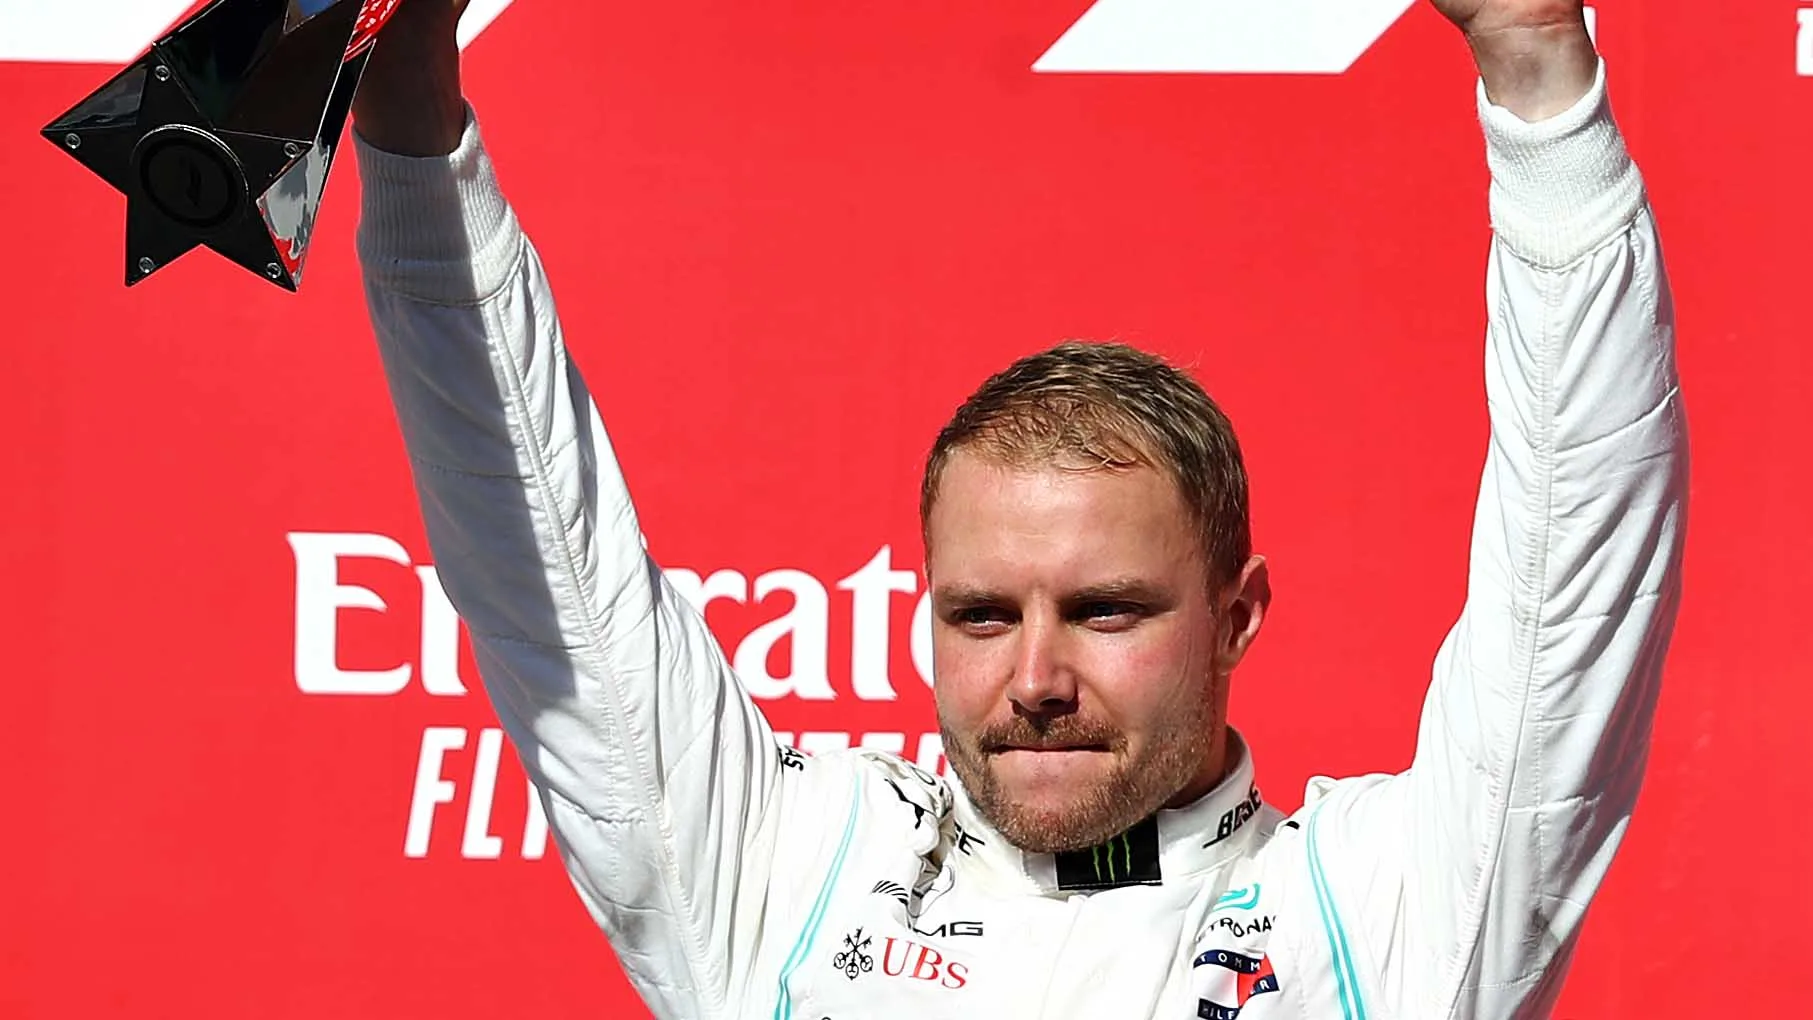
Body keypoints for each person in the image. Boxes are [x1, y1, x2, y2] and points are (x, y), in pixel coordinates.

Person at [348, 0, 1686, 1016]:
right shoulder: (786, 869)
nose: (1034, 677)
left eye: (1107, 611)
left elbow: (1574, 564)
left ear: (1239, 618)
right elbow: (542, 555)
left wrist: (1535, 66)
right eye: (981, 615)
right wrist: (407, 118)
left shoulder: (1392, 904)